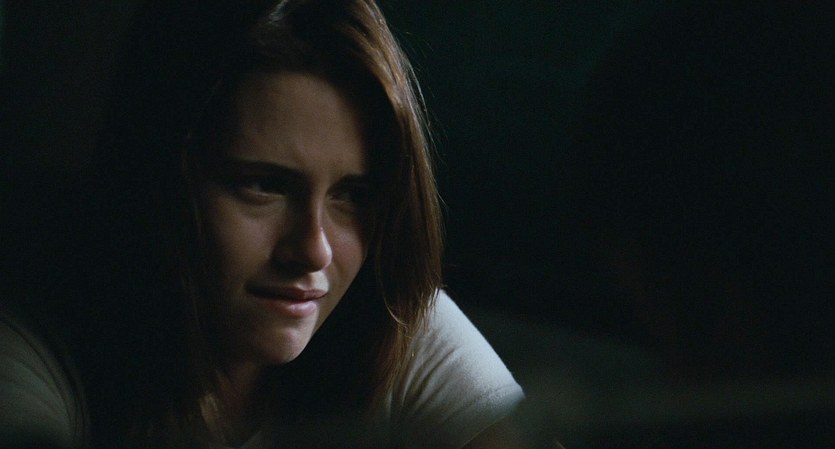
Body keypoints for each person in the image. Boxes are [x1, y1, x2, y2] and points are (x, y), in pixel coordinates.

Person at [67, 1, 524, 448]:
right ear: (156, 180)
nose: (312, 250)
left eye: (352, 195)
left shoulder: (391, 318)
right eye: (265, 185)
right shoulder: (48, 342)